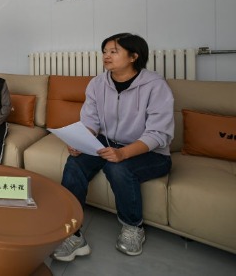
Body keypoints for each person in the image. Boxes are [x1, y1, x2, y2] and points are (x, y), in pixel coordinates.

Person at [52, 33, 174, 261]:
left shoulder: (155, 85)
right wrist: (80, 141)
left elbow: (158, 134)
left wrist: (123, 153)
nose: (106, 56)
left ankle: (133, 226)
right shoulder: (98, 84)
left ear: (133, 56)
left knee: (117, 168)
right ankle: (72, 233)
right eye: (105, 52)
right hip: (108, 142)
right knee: (75, 162)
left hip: (151, 152)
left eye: (114, 52)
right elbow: (91, 121)